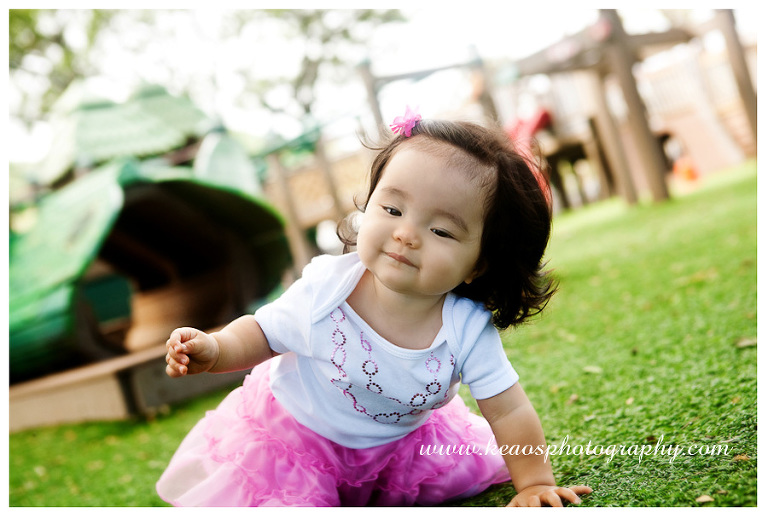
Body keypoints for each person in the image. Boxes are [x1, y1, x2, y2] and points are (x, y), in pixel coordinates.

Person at [157, 107, 592, 507]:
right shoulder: (329, 288)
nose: (406, 234)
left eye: (441, 230)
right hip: (295, 442)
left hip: (400, 452)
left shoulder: (466, 328)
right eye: (392, 208)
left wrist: (534, 481)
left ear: (479, 264)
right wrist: (216, 350)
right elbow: (263, 333)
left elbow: (508, 408)